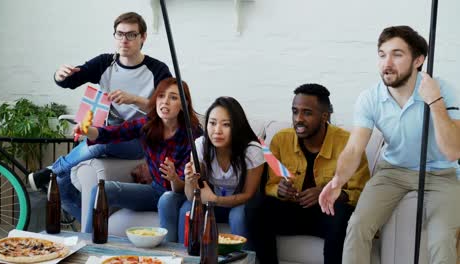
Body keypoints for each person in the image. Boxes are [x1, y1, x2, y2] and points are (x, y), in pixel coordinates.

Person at [319, 25, 460, 264]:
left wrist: (435, 101)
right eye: (382, 54)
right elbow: (354, 149)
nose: (387, 63)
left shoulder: (442, 90)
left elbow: (452, 151)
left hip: (441, 173)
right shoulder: (370, 98)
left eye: (397, 54)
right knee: (357, 225)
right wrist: (338, 181)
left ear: (418, 60)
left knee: (441, 239)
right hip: (393, 172)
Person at [28, 12, 172, 222]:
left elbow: (170, 107)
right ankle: (94, 232)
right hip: (109, 132)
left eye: (131, 35)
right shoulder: (106, 62)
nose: (124, 40)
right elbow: (71, 80)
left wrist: (135, 99)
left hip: (140, 139)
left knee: (102, 141)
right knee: (62, 186)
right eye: (120, 34)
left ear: (143, 37)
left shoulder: (157, 70)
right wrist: (59, 75)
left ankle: (52, 169)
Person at [246, 84, 370, 264]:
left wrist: (328, 193)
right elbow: (270, 185)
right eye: (295, 112)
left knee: (343, 215)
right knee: (255, 208)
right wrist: (279, 190)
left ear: (324, 116)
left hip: (328, 216)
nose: (298, 119)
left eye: (307, 113)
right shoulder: (281, 139)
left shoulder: (348, 144)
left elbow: (361, 193)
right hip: (292, 211)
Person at [78, 78, 202, 236]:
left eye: (173, 97)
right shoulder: (147, 125)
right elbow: (112, 133)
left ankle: (170, 255)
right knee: (101, 190)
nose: (165, 102)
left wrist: (173, 178)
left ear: (184, 105)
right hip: (154, 191)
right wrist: (88, 131)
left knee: (167, 199)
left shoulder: (193, 135)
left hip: (179, 195)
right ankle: (88, 242)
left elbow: (184, 187)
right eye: (161, 96)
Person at [161, 97, 265, 244]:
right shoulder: (201, 146)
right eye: (212, 123)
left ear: (237, 126)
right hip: (210, 204)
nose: (217, 131)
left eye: (226, 124)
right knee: (188, 208)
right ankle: (183, 255)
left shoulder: (251, 150)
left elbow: (248, 195)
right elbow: (192, 197)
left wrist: (216, 199)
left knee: (238, 215)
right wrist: (190, 181)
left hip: (239, 204)